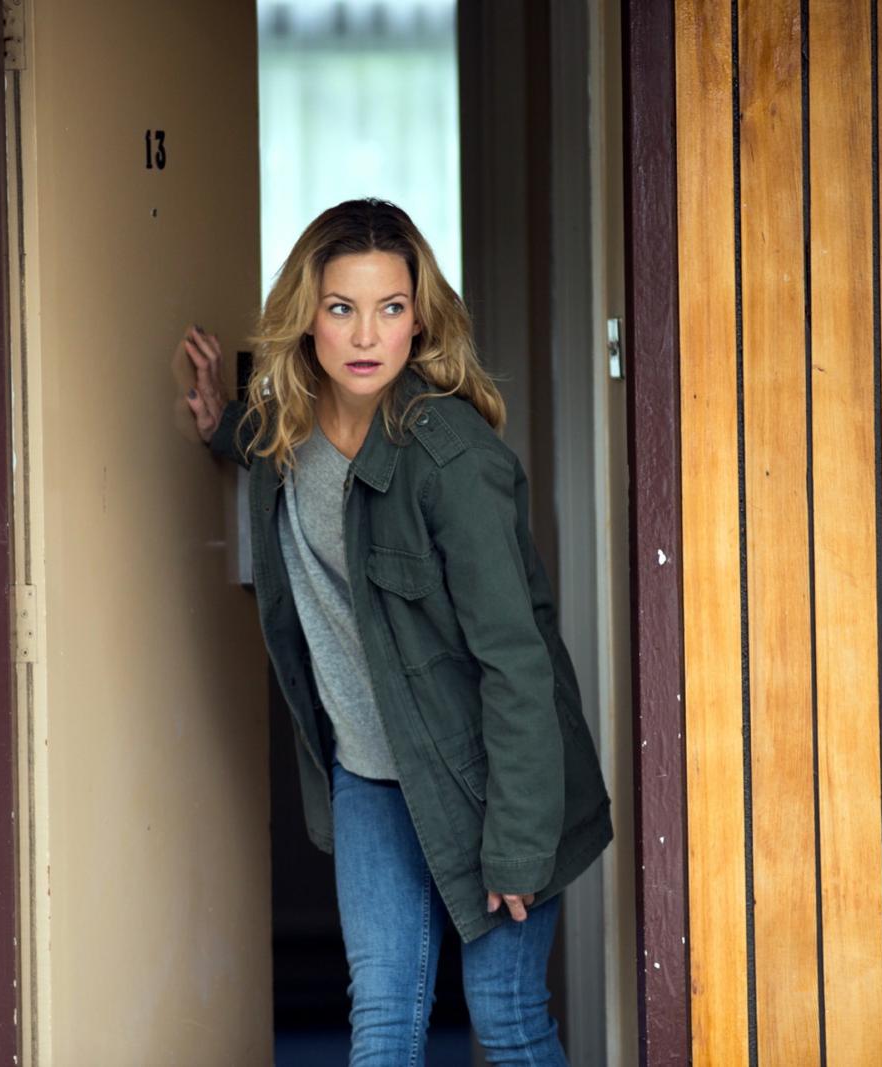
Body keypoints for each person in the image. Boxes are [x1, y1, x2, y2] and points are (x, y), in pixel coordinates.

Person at [172, 198, 611, 1066]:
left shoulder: (454, 462)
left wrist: (520, 842)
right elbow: (265, 446)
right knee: (380, 1017)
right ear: (308, 318)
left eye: (391, 307)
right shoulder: (287, 429)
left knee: (507, 1014)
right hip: (370, 775)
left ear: (420, 319)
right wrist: (219, 421)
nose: (367, 335)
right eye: (342, 308)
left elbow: (517, 664)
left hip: (489, 779)